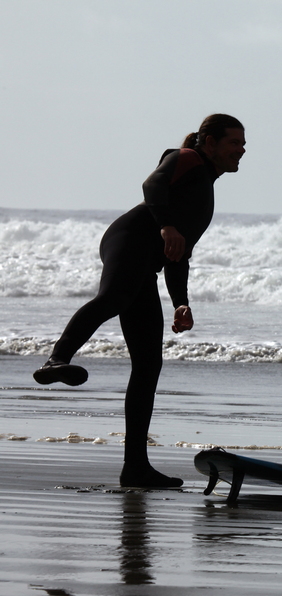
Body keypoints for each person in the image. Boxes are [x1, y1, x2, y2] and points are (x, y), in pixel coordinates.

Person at [32, 114, 246, 488]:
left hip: (148, 263)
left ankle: (136, 467)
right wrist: (165, 225)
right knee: (115, 297)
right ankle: (57, 360)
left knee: (149, 364)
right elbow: (152, 184)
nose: (241, 150)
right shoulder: (186, 157)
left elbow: (179, 252)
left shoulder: (204, 190)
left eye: (243, 145)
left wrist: (181, 301)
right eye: (234, 143)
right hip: (129, 239)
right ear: (210, 142)